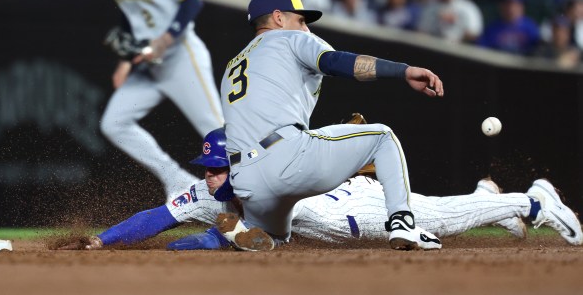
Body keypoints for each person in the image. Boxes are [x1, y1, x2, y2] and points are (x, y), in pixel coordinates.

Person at [56, 128, 583, 251]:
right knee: (448, 213)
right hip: (334, 215)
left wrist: (175, 254)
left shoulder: (267, 181)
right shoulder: (209, 190)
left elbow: (222, 243)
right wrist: (103, 242)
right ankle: (491, 198)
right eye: (207, 168)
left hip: (358, 209)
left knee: (439, 222)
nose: (209, 176)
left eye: (217, 168)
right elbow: (158, 216)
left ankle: (534, 200)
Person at [217, 0, 445, 252]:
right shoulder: (290, 38)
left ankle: (252, 235)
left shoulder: (233, 65)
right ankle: (403, 224)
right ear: (279, 18)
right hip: (288, 158)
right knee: (382, 138)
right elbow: (336, 62)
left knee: (273, 237)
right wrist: (402, 71)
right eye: (301, 20)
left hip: (246, 181)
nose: (306, 28)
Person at [95, 0, 224, 199]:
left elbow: (192, 1)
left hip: (181, 56)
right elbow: (129, 15)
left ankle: (258, 194)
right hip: (149, 65)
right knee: (114, 123)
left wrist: (164, 40)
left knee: (218, 131)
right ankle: (177, 180)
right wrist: (125, 61)